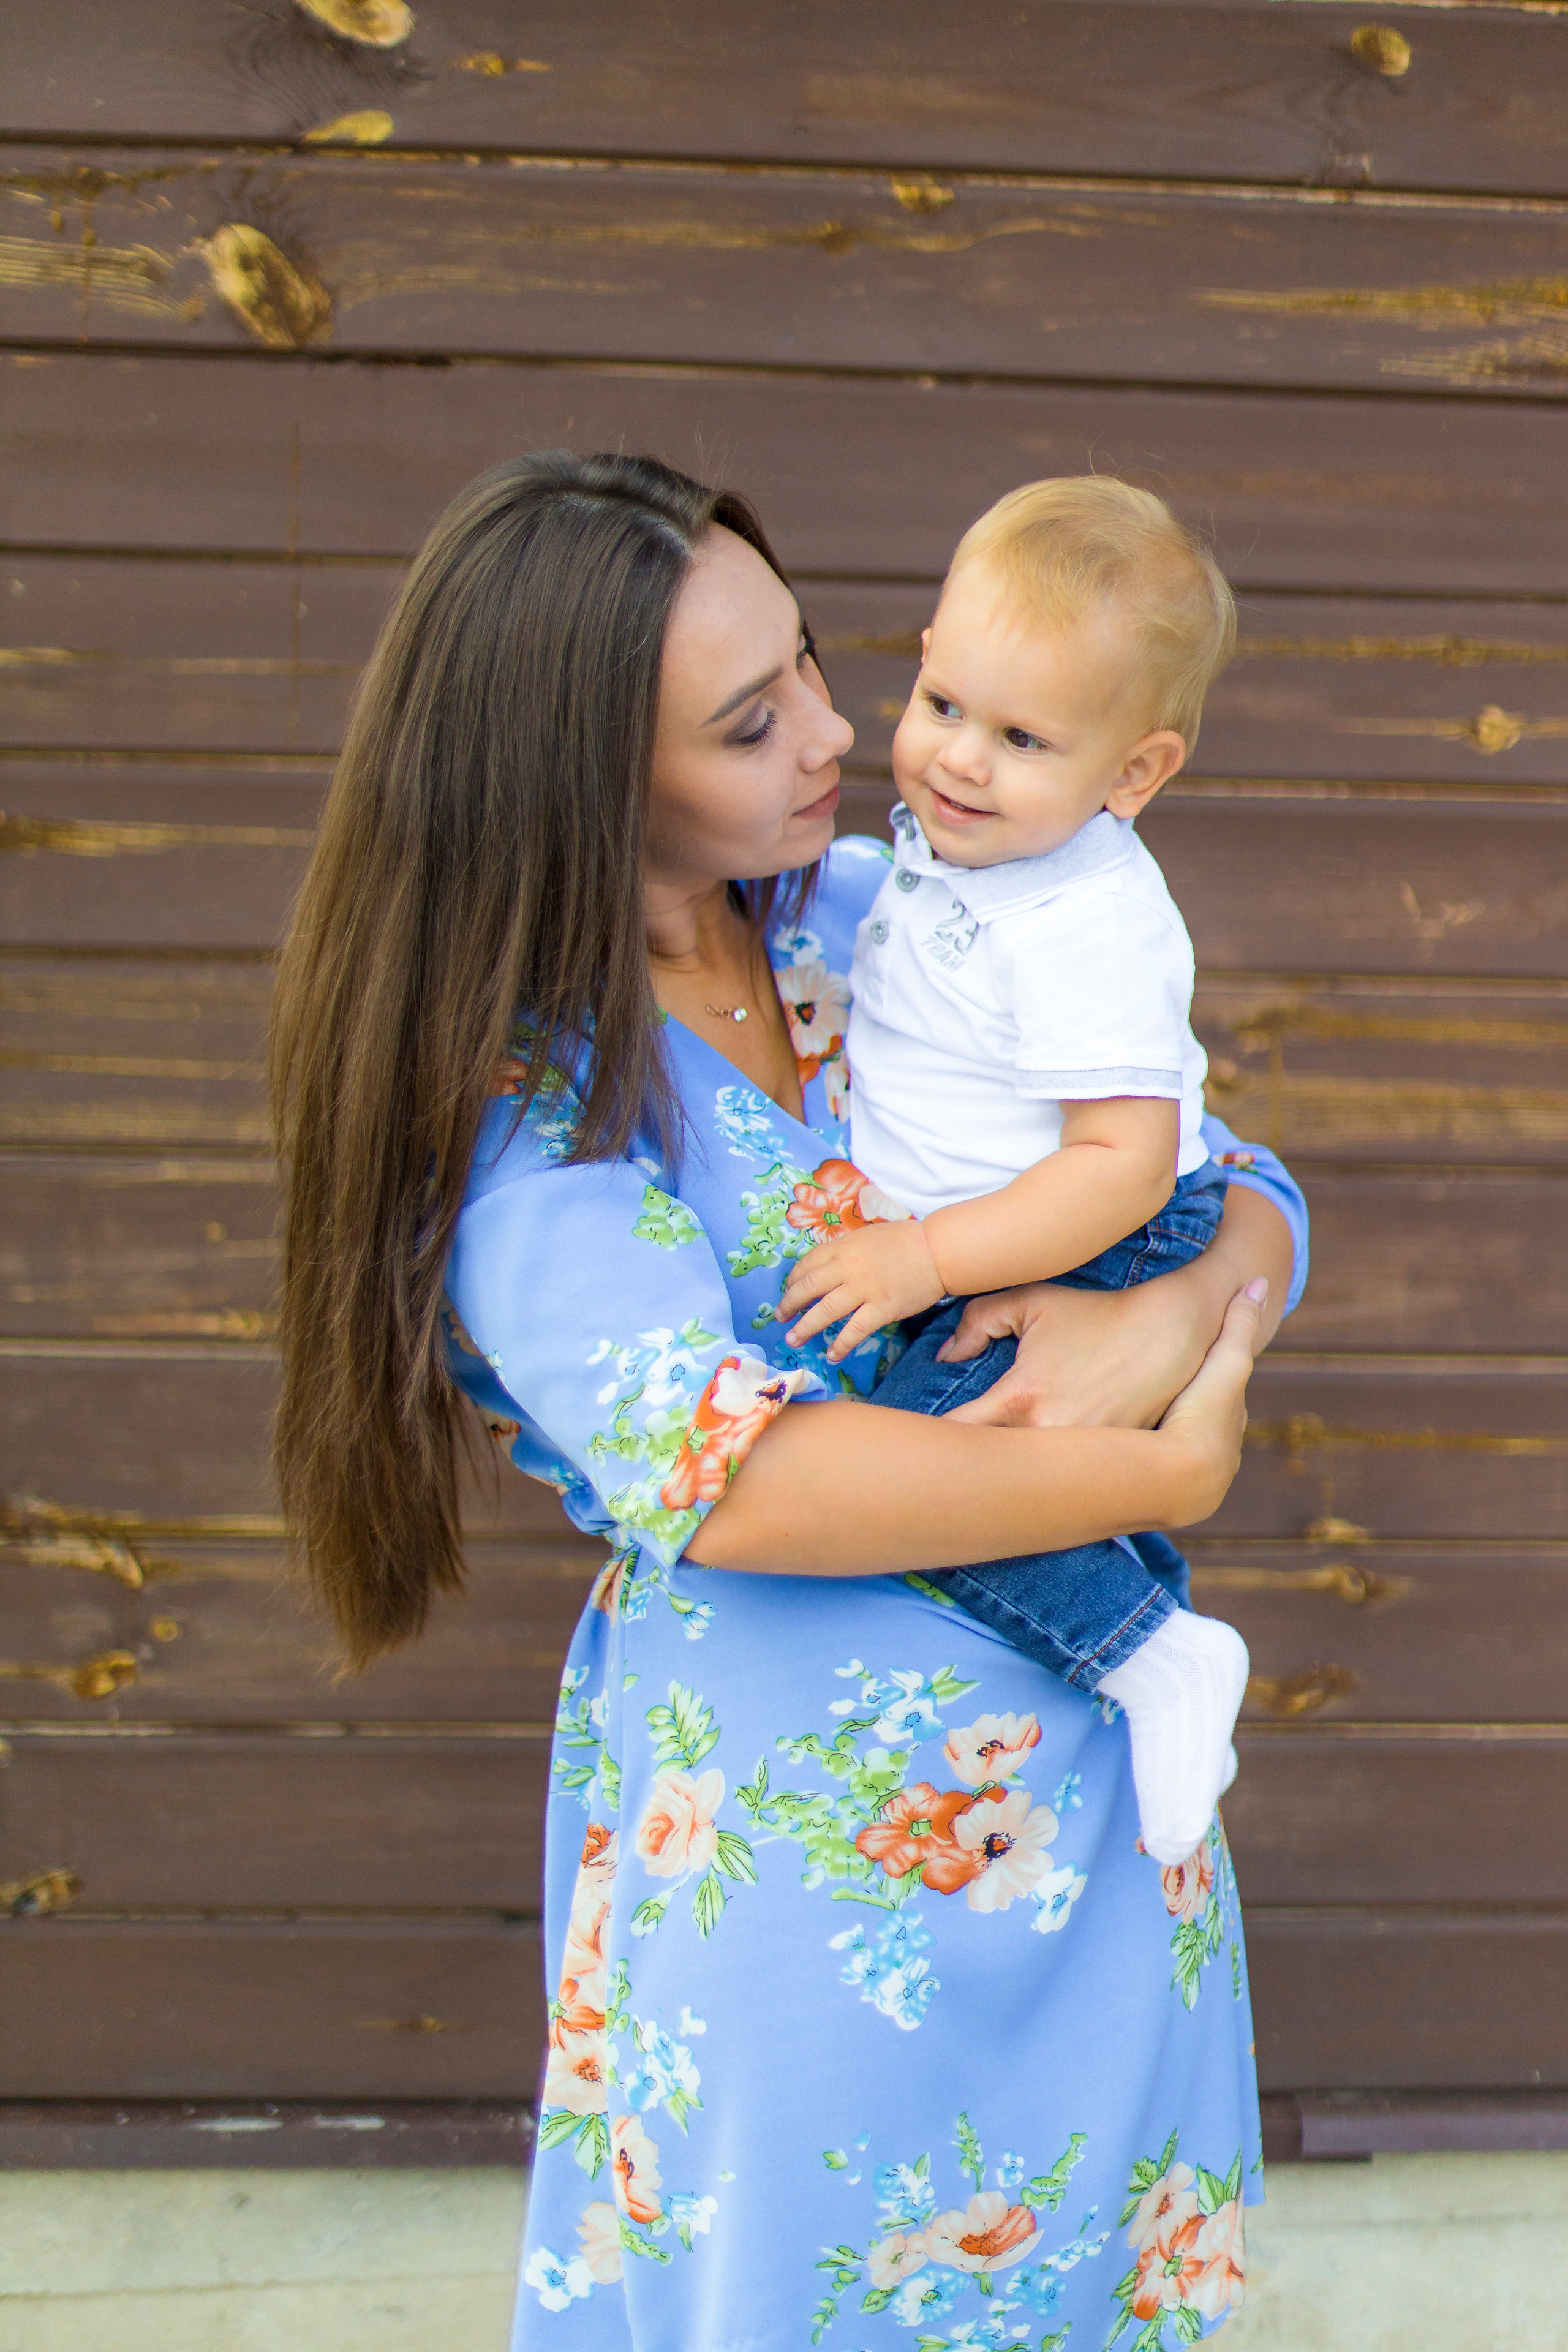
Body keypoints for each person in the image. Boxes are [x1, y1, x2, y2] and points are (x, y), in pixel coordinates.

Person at [270, 452, 1306, 2352]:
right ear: (581, 779)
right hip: (814, 1868)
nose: (850, 732)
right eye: (758, 722)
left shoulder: (875, 907)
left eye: (822, 664)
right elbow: (735, 1480)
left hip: (1097, 1793)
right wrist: (1148, 1466)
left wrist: (1157, 1335)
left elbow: (1231, 1185)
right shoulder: (536, 1102)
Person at [777, 477, 1254, 1866]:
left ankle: (1151, 1653)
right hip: (1009, 1237)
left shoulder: (1084, 919)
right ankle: (1140, 1630)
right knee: (966, 1450)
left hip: (1091, 1238)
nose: (958, 763)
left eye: (1022, 737)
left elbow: (1123, 1160)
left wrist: (922, 1259)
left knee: (935, 1454)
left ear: (1132, 775)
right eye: (942, 707)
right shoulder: (949, 858)